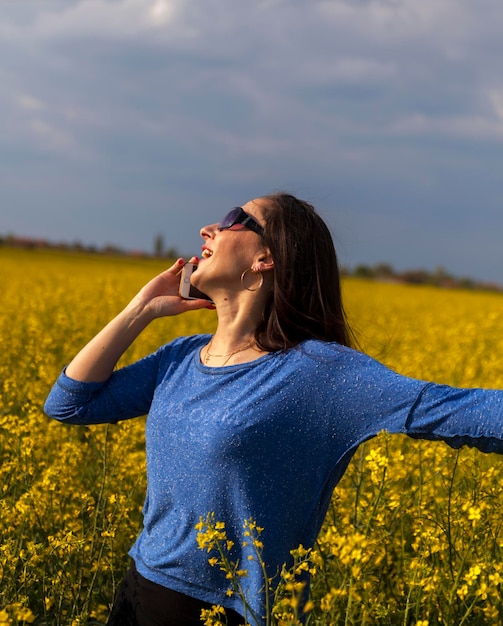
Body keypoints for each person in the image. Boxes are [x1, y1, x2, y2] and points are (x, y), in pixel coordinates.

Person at [44, 193, 503, 626]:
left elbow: (458, 410)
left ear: (266, 259)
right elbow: (68, 404)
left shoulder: (321, 372)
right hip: (142, 592)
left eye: (229, 221)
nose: (208, 228)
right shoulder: (180, 358)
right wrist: (139, 310)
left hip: (234, 609)